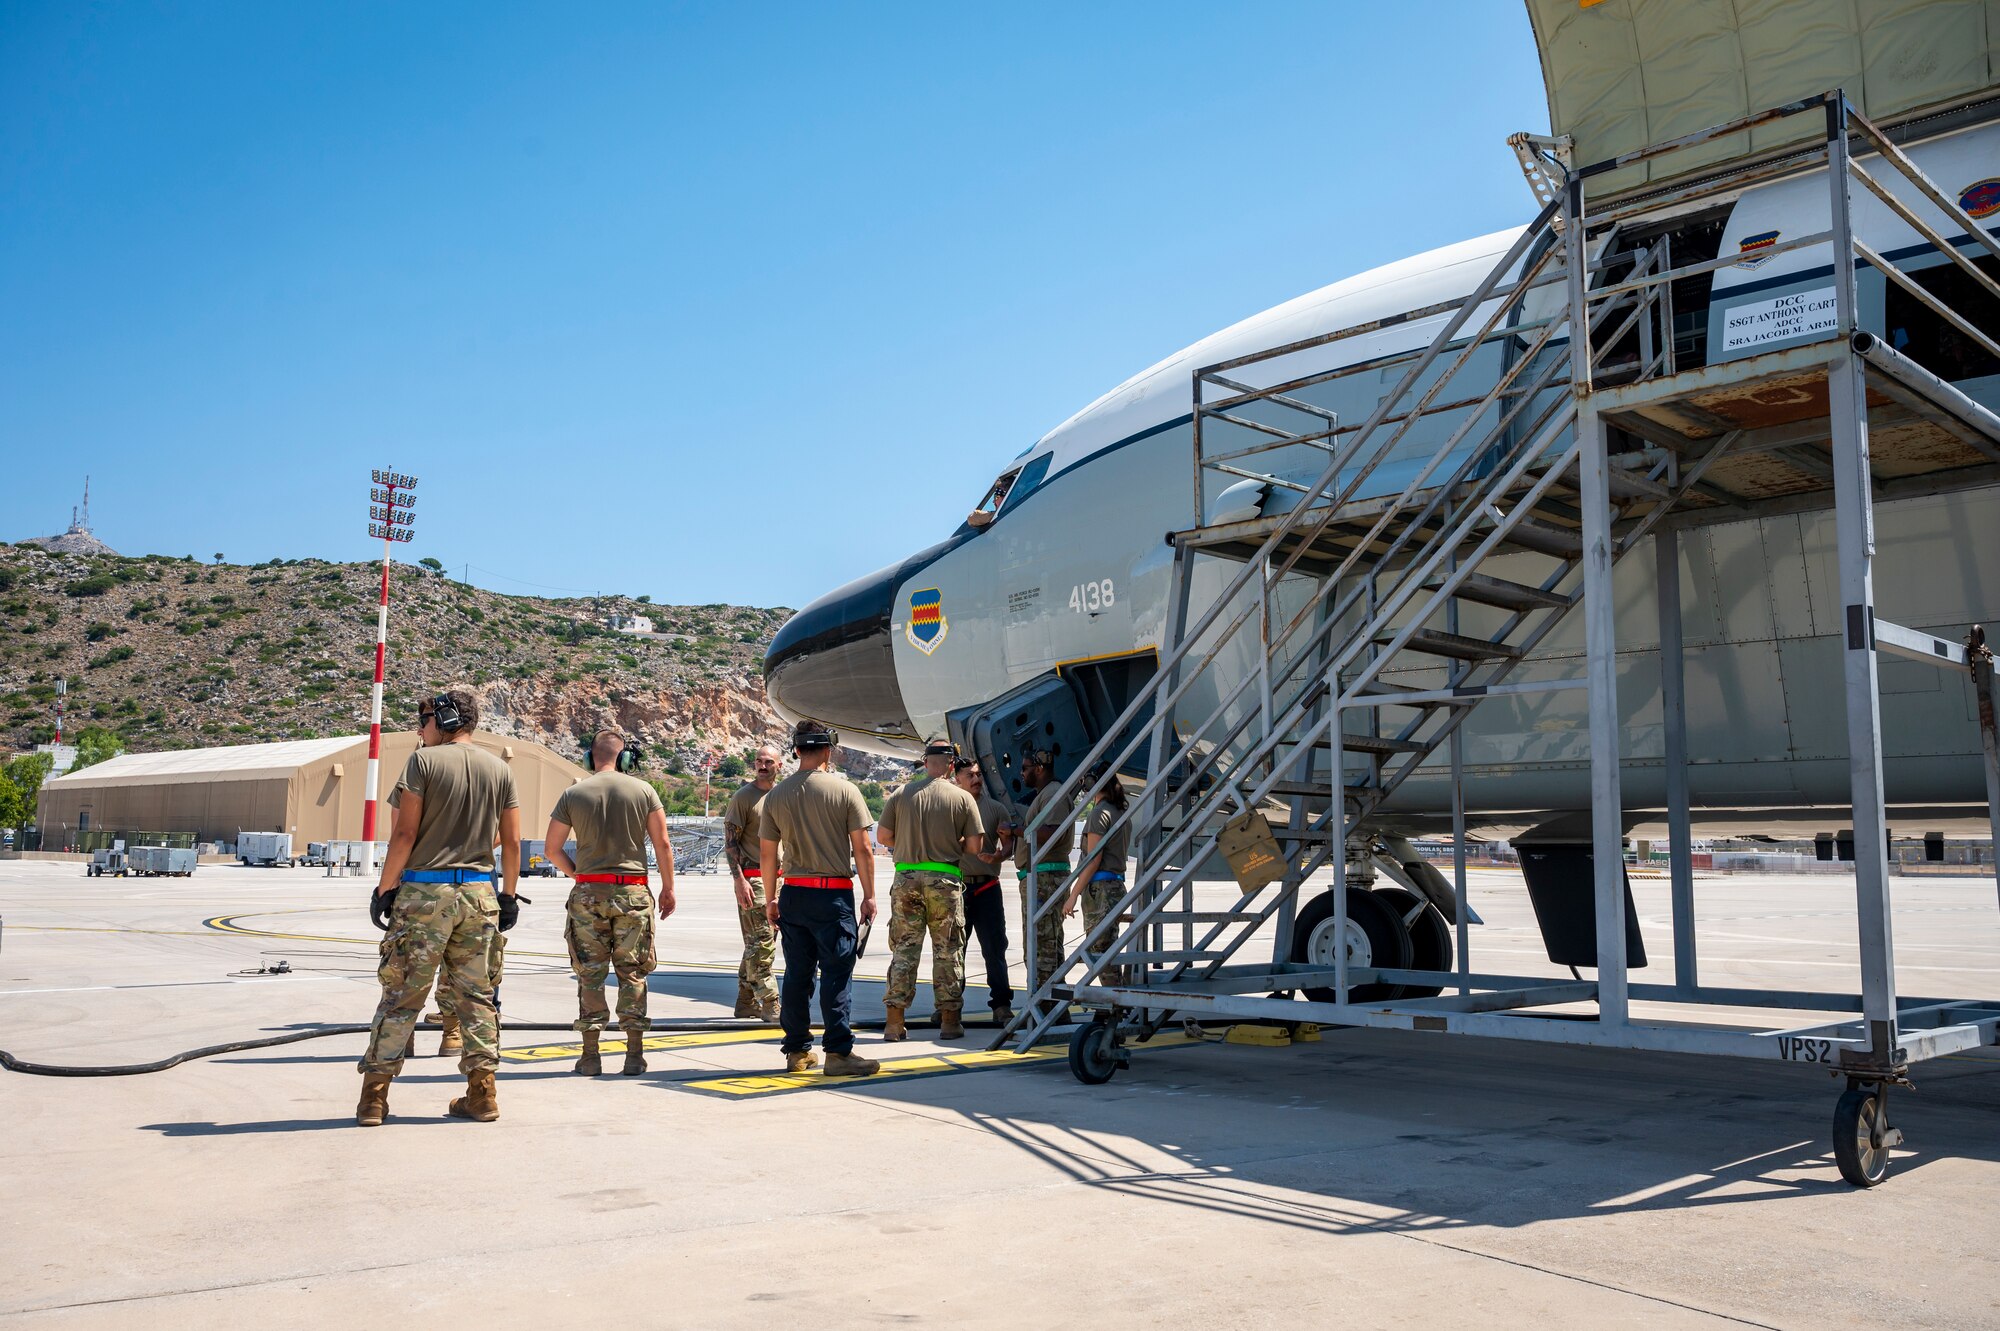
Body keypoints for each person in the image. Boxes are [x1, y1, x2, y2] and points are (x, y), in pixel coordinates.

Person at [356, 689, 522, 1127]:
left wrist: (384, 889)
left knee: (401, 998)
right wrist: (507, 895)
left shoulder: (422, 762)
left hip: (425, 896)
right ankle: (482, 1095)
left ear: (445, 719)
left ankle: (374, 1099)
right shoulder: (499, 770)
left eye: (423, 718)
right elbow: (513, 842)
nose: (419, 727)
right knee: (477, 999)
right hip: (479, 897)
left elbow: (404, 835)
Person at [546, 730, 678, 1078]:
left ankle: (590, 1056)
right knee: (632, 973)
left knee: (590, 974)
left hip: (588, 894)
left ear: (591, 759)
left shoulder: (573, 794)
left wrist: (578, 875)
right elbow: (663, 844)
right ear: (625, 759)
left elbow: (551, 850)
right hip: (632, 893)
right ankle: (634, 1055)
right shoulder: (644, 791)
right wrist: (668, 888)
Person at [759, 719, 881, 1077]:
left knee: (797, 975)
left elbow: (769, 855)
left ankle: (797, 1052)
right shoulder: (845, 792)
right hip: (833, 896)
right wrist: (869, 896)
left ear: (796, 750)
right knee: (836, 975)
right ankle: (839, 1054)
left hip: (794, 894)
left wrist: (771, 899)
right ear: (829, 749)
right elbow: (863, 849)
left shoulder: (776, 796)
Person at [875, 738, 984, 1040]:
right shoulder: (962, 798)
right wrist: (949, 844)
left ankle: (894, 1023)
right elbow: (975, 846)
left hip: (906, 877)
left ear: (925, 762)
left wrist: (910, 845)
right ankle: (950, 1021)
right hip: (944, 880)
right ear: (952, 764)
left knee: (904, 949)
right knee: (948, 950)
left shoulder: (901, 794)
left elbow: (884, 837)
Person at [952, 756, 1018, 1024]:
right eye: (970, 775)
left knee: (994, 949)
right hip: (958, 888)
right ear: (957, 780)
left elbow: (1009, 846)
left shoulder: (996, 809)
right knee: (954, 950)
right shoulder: (951, 808)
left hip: (988, 888)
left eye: (978, 774)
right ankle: (950, 1006)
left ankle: (1001, 1005)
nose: (977, 779)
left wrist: (999, 857)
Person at [721, 744, 783, 1021]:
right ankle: (770, 1003)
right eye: (758, 760)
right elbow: (730, 842)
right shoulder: (744, 797)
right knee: (761, 945)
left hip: (781, 880)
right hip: (754, 880)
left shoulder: (784, 795)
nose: (762, 765)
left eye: (768, 761)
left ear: (779, 766)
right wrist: (739, 880)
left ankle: (745, 1001)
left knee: (759, 943)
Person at [1012, 748, 1075, 1005]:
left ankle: (1046, 1009)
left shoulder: (1053, 794)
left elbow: (1049, 833)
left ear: (1039, 769)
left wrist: (1016, 830)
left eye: (1025, 768)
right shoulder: (1046, 795)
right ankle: (1054, 1009)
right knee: (1046, 945)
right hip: (1040, 877)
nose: (1022, 773)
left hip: (1046, 879)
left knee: (1042, 949)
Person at [1064, 762, 1131, 985]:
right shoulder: (1119, 811)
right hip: (1115, 886)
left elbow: (1093, 861)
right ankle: (1114, 1004)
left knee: (1100, 952)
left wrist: (1073, 895)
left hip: (1100, 891)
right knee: (1107, 950)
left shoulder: (1099, 813)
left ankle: (1113, 1005)